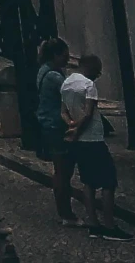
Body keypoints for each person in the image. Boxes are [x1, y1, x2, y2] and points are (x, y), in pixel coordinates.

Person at [62, 52, 129, 239]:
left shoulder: (66, 83)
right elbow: (89, 113)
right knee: (108, 181)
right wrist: (79, 128)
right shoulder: (88, 85)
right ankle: (109, 225)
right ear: (91, 68)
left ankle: (92, 222)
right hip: (93, 138)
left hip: (79, 143)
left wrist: (71, 125)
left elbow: (64, 111)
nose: (97, 76)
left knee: (88, 182)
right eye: (97, 72)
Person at [34, 37, 75, 222]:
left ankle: (64, 210)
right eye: (64, 56)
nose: (66, 60)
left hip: (48, 125)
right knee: (63, 171)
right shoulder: (54, 76)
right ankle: (66, 212)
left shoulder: (44, 71)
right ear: (56, 55)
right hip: (56, 126)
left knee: (61, 170)